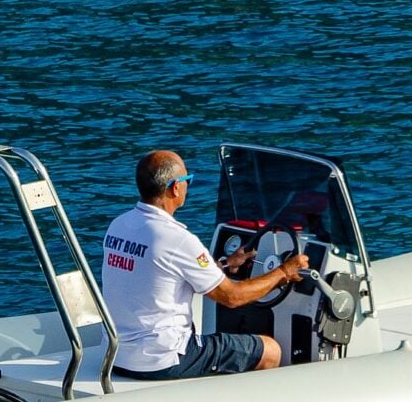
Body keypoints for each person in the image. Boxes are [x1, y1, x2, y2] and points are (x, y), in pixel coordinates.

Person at [102, 149, 309, 380]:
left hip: (116, 355)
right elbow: (231, 297)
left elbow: (159, 270)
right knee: (270, 350)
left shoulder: (119, 225)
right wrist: (283, 272)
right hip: (160, 359)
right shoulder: (177, 239)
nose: (188, 186)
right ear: (175, 187)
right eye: (187, 180)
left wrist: (222, 264)